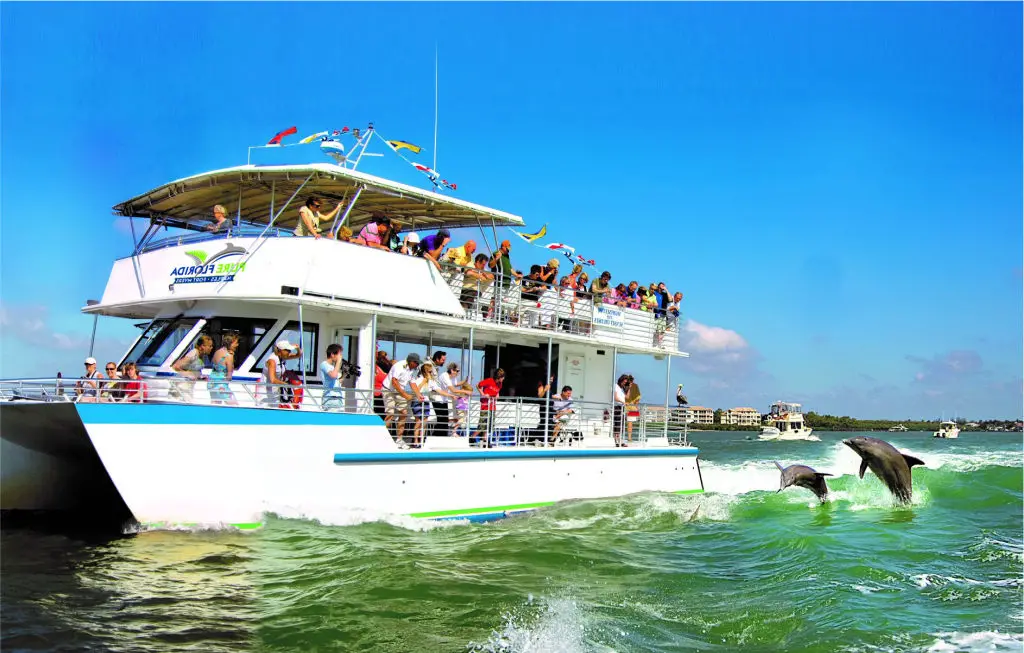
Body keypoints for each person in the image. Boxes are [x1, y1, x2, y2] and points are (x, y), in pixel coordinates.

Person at [382, 352, 421, 444]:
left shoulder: (412, 369)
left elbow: (412, 383)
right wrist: (405, 395)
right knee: (390, 413)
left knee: (404, 413)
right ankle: (382, 438)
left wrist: (418, 394)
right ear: (411, 362)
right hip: (389, 389)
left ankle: (399, 439)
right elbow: (394, 382)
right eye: (417, 363)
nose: (418, 365)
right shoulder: (399, 366)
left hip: (400, 390)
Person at [172, 335, 214, 401]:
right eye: (210, 346)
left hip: (189, 387)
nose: (211, 348)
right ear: (203, 346)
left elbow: (193, 369)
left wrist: (200, 377)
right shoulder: (194, 353)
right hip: (182, 387)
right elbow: (176, 366)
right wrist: (188, 374)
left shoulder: (202, 356)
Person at [263, 339, 302, 406]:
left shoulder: (282, 357)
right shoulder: (272, 361)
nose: (289, 352)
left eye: (290, 350)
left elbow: (298, 355)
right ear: (281, 350)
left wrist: (297, 348)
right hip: (266, 393)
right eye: (288, 350)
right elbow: (273, 380)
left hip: (275, 392)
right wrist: (286, 384)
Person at [473, 368, 505, 445]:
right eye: (503, 377)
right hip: (485, 405)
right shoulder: (489, 381)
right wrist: (483, 394)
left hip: (493, 406)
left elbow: (497, 392)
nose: (503, 379)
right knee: (483, 423)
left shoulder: (500, 384)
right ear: (499, 377)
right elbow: (478, 385)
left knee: (490, 424)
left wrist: (497, 395)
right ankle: (473, 437)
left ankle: (485, 439)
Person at [208, 334, 239, 405]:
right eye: (236, 343)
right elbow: (229, 375)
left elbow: (215, 364)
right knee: (235, 405)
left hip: (212, 383)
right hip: (221, 385)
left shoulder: (217, 352)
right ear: (230, 343)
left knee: (215, 405)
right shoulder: (229, 356)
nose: (237, 345)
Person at [320, 343, 346, 411]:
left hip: (338, 398)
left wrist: (345, 374)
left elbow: (337, 381)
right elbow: (333, 375)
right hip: (330, 398)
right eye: (339, 354)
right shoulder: (324, 364)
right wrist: (338, 362)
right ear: (332, 354)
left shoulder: (333, 367)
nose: (340, 356)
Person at [428, 351, 448, 435]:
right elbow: (429, 381)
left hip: (437, 395)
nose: (444, 361)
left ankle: (439, 436)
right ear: (437, 359)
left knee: (443, 418)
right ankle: (436, 437)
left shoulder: (434, 366)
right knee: (442, 418)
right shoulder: (428, 365)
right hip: (433, 395)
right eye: (443, 360)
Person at [612, 374, 628, 446]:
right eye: (624, 382)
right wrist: (623, 402)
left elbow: (627, 397)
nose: (624, 383)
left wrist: (628, 387)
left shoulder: (622, 389)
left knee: (622, 425)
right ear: (620, 380)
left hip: (622, 407)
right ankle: (616, 441)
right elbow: (615, 397)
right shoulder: (616, 386)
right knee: (617, 424)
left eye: (625, 382)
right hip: (617, 407)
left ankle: (620, 441)